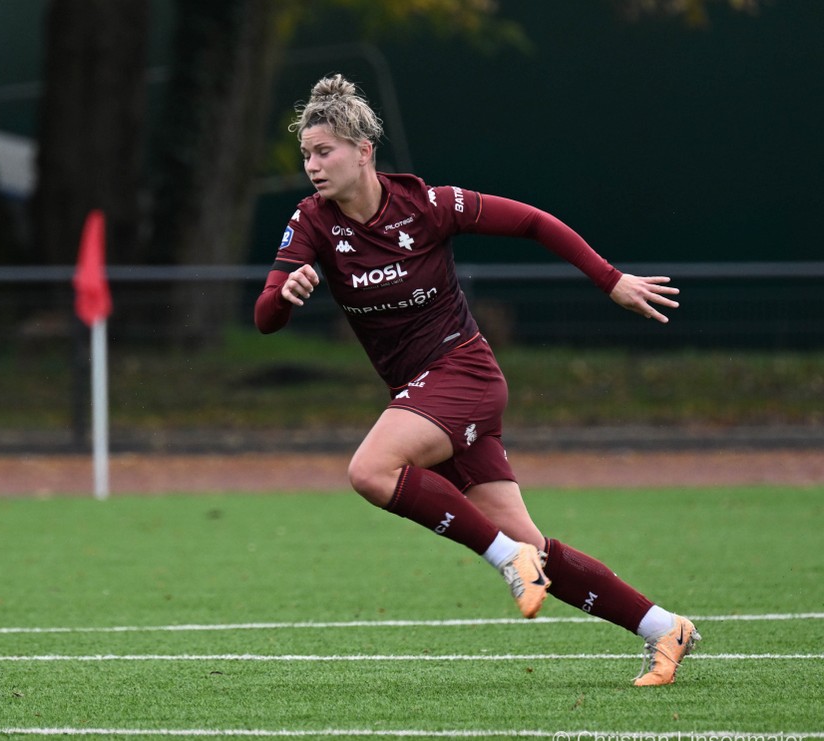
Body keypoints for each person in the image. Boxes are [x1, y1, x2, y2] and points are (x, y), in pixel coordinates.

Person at [254, 74, 699, 687]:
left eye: (323, 151)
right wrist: (286, 294)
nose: (311, 166)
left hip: (464, 372)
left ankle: (506, 558)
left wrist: (610, 279)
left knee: (370, 471)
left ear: (363, 151)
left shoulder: (429, 205)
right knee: (535, 548)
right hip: (423, 396)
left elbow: (533, 222)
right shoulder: (312, 221)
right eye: (306, 154)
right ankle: (664, 627)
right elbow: (265, 317)